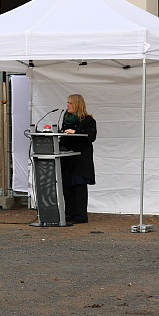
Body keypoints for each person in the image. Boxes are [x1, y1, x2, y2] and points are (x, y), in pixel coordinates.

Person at [59, 94, 97, 224]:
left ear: (77, 105)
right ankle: (69, 214)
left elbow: (91, 137)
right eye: (67, 102)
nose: (67, 105)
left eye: (70, 103)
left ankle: (81, 216)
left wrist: (75, 132)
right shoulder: (66, 118)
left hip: (80, 160)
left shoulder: (88, 120)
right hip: (67, 159)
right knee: (67, 187)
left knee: (79, 187)